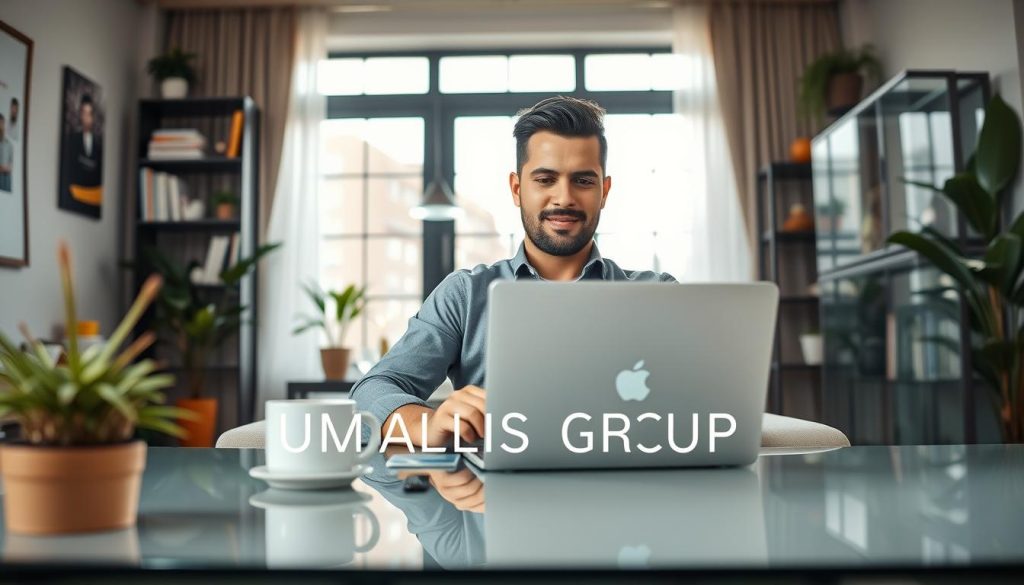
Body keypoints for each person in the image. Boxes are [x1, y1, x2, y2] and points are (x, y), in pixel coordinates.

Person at [350, 96, 677, 448]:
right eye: (546, 179)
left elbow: (709, 398)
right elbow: (370, 391)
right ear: (517, 189)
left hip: (634, 487)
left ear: (604, 191)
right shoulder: (465, 295)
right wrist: (425, 422)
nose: (564, 197)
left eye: (583, 180)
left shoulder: (659, 295)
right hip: (493, 496)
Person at [0, 114, 13, 192]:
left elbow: (11, 165)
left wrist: (5, 168)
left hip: (7, 177)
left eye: (2, 124)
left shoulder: (9, 144)